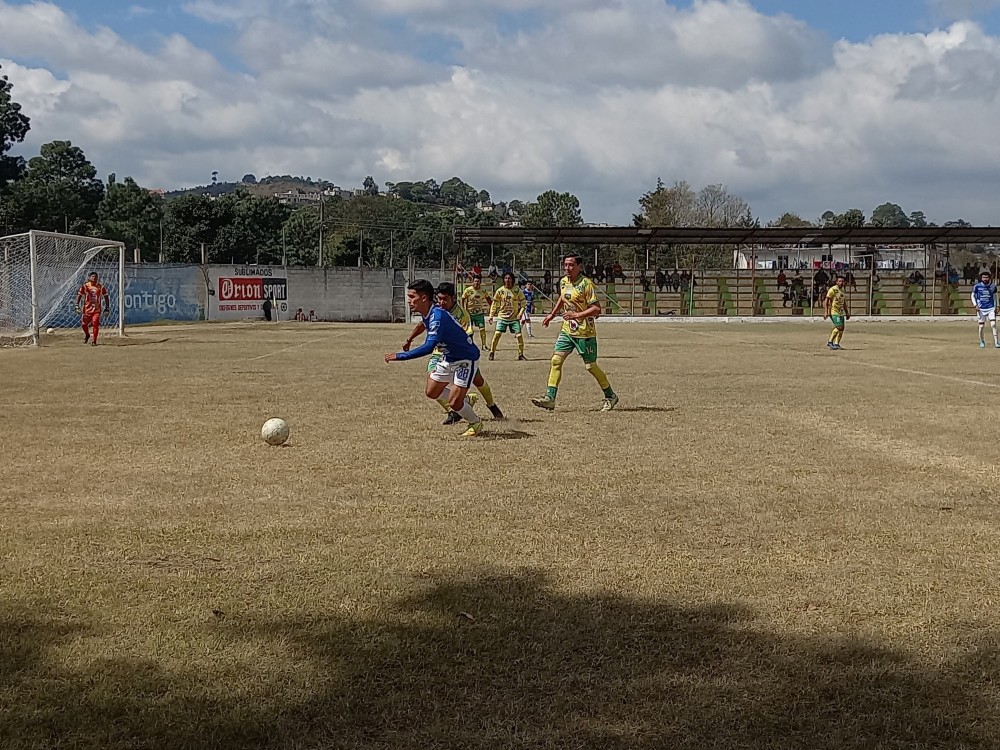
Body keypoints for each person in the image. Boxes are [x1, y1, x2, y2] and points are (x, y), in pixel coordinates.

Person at [386, 279, 484, 437]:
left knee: (454, 403)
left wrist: (400, 356)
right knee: (431, 392)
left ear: (424, 298)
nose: (409, 301)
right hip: (448, 357)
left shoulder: (437, 317)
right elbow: (422, 326)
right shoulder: (429, 313)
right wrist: (409, 339)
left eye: (412, 297)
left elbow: (428, 347)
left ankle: (475, 422)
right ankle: (465, 399)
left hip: (465, 360)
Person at [403, 282, 505, 425]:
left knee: (478, 380)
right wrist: (410, 339)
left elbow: (467, 335)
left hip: (460, 354)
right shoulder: (435, 310)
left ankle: (492, 405)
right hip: (439, 353)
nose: (441, 302)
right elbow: (423, 324)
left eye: (445, 299)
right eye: (439, 299)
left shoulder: (462, 315)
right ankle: (454, 411)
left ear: (453, 298)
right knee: (433, 383)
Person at [532, 254, 618, 412]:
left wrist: (576, 315)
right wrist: (552, 315)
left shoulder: (586, 284)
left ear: (579, 267)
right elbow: (562, 298)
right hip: (567, 330)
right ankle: (550, 398)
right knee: (556, 361)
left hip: (585, 332)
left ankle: (611, 396)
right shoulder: (563, 282)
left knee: (590, 366)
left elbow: (597, 309)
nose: (567, 268)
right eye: (565, 265)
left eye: (571, 265)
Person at [488, 271, 527, 361]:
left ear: (512, 280)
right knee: (497, 334)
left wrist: (520, 313)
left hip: (514, 318)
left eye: (509, 278)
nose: (507, 280)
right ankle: (491, 352)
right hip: (502, 317)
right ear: (503, 280)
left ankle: (521, 355)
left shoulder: (517, 290)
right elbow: (494, 304)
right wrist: (491, 315)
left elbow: (523, 303)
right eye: (506, 278)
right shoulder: (500, 291)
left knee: (519, 335)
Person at [74, 271, 110, 346]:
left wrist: (107, 307)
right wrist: (77, 305)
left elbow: (106, 296)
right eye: (93, 276)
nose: (94, 278)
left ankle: (94, 341)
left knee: (95, 323)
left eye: (96, 277)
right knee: (84, 324)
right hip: (87, 309)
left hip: (96, 310)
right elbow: (79, 295)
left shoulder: (101, 287)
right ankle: (87, 335)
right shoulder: (85, 286)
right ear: (89, 278)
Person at [460, 275, 491, 349]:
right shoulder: (468, 290)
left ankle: (484, 345)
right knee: (469, 331)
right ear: (473, 282)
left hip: (479, 313)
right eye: (475, 281)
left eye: (478, 281)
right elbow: (463, 299)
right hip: (469, 313)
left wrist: (492, 307)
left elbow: (488, 299)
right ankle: (470, 345)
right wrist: (463, 309)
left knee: (482, 329)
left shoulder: (483, 290)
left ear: (480, 282)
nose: (476, 283)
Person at [971, 270, 1000, 348]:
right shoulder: (977, 286)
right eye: (983, 277)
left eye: (986, 277)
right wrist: (975, 305)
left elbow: (996, 296)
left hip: (990, 307)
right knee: (981, 326)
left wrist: (997, 306)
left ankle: (996, 342)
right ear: (981, 278)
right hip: (981, 309)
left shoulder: (993, 286)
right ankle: (982, 341)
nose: (985, 279)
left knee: (993, 324)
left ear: (989, 278)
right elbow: (972, 296)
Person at [824, 274, 850, 350]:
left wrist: (847, 312)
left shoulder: (842, 290)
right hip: (834, 311)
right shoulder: (832, 289)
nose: (841, 283)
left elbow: (843, 302)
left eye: (842, 281)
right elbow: (826, 301)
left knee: (842, 328)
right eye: (839, 281)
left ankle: (837, 343)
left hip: (841, 312)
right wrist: (826, 311)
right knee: (839, 327)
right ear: (836, 282)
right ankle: (830, 341)